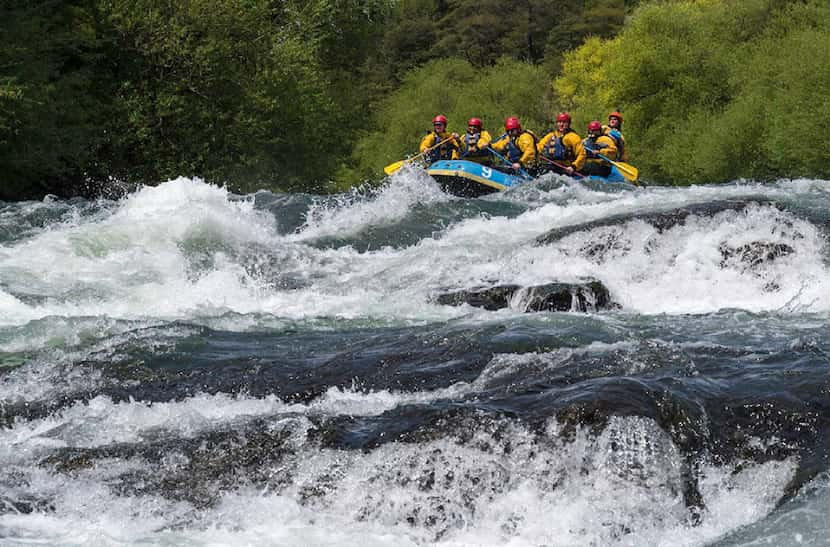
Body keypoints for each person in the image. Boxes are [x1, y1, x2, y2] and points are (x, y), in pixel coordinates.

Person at [536, 112, 586, 176]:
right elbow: (539, 146)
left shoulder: (573, 137)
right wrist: (535, 151)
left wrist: (573, 167)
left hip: (566, 168)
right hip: (552, 165)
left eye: (564, 122)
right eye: (559, 122)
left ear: (568, 124)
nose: (561, 124)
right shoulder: (551, 136)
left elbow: (582, 154)